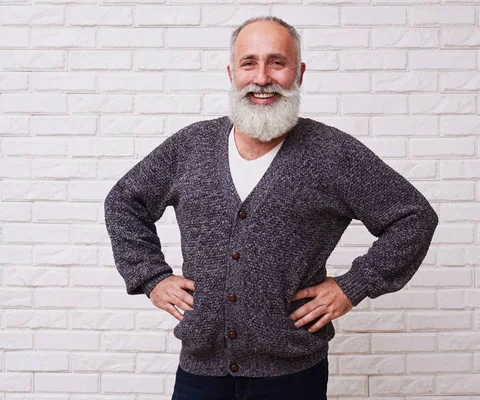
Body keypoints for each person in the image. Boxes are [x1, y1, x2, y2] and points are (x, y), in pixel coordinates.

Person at [104, 16, 438, 400]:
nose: (262, 77)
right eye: (249, 63)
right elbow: (124, 201)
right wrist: (151, 277)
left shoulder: (332, 153)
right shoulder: (191, 146)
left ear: (299, 73)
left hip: (292, 376)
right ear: (232, 73)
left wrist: (353, 286)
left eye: (277, 63)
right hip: (200, 370)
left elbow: (413, 216)